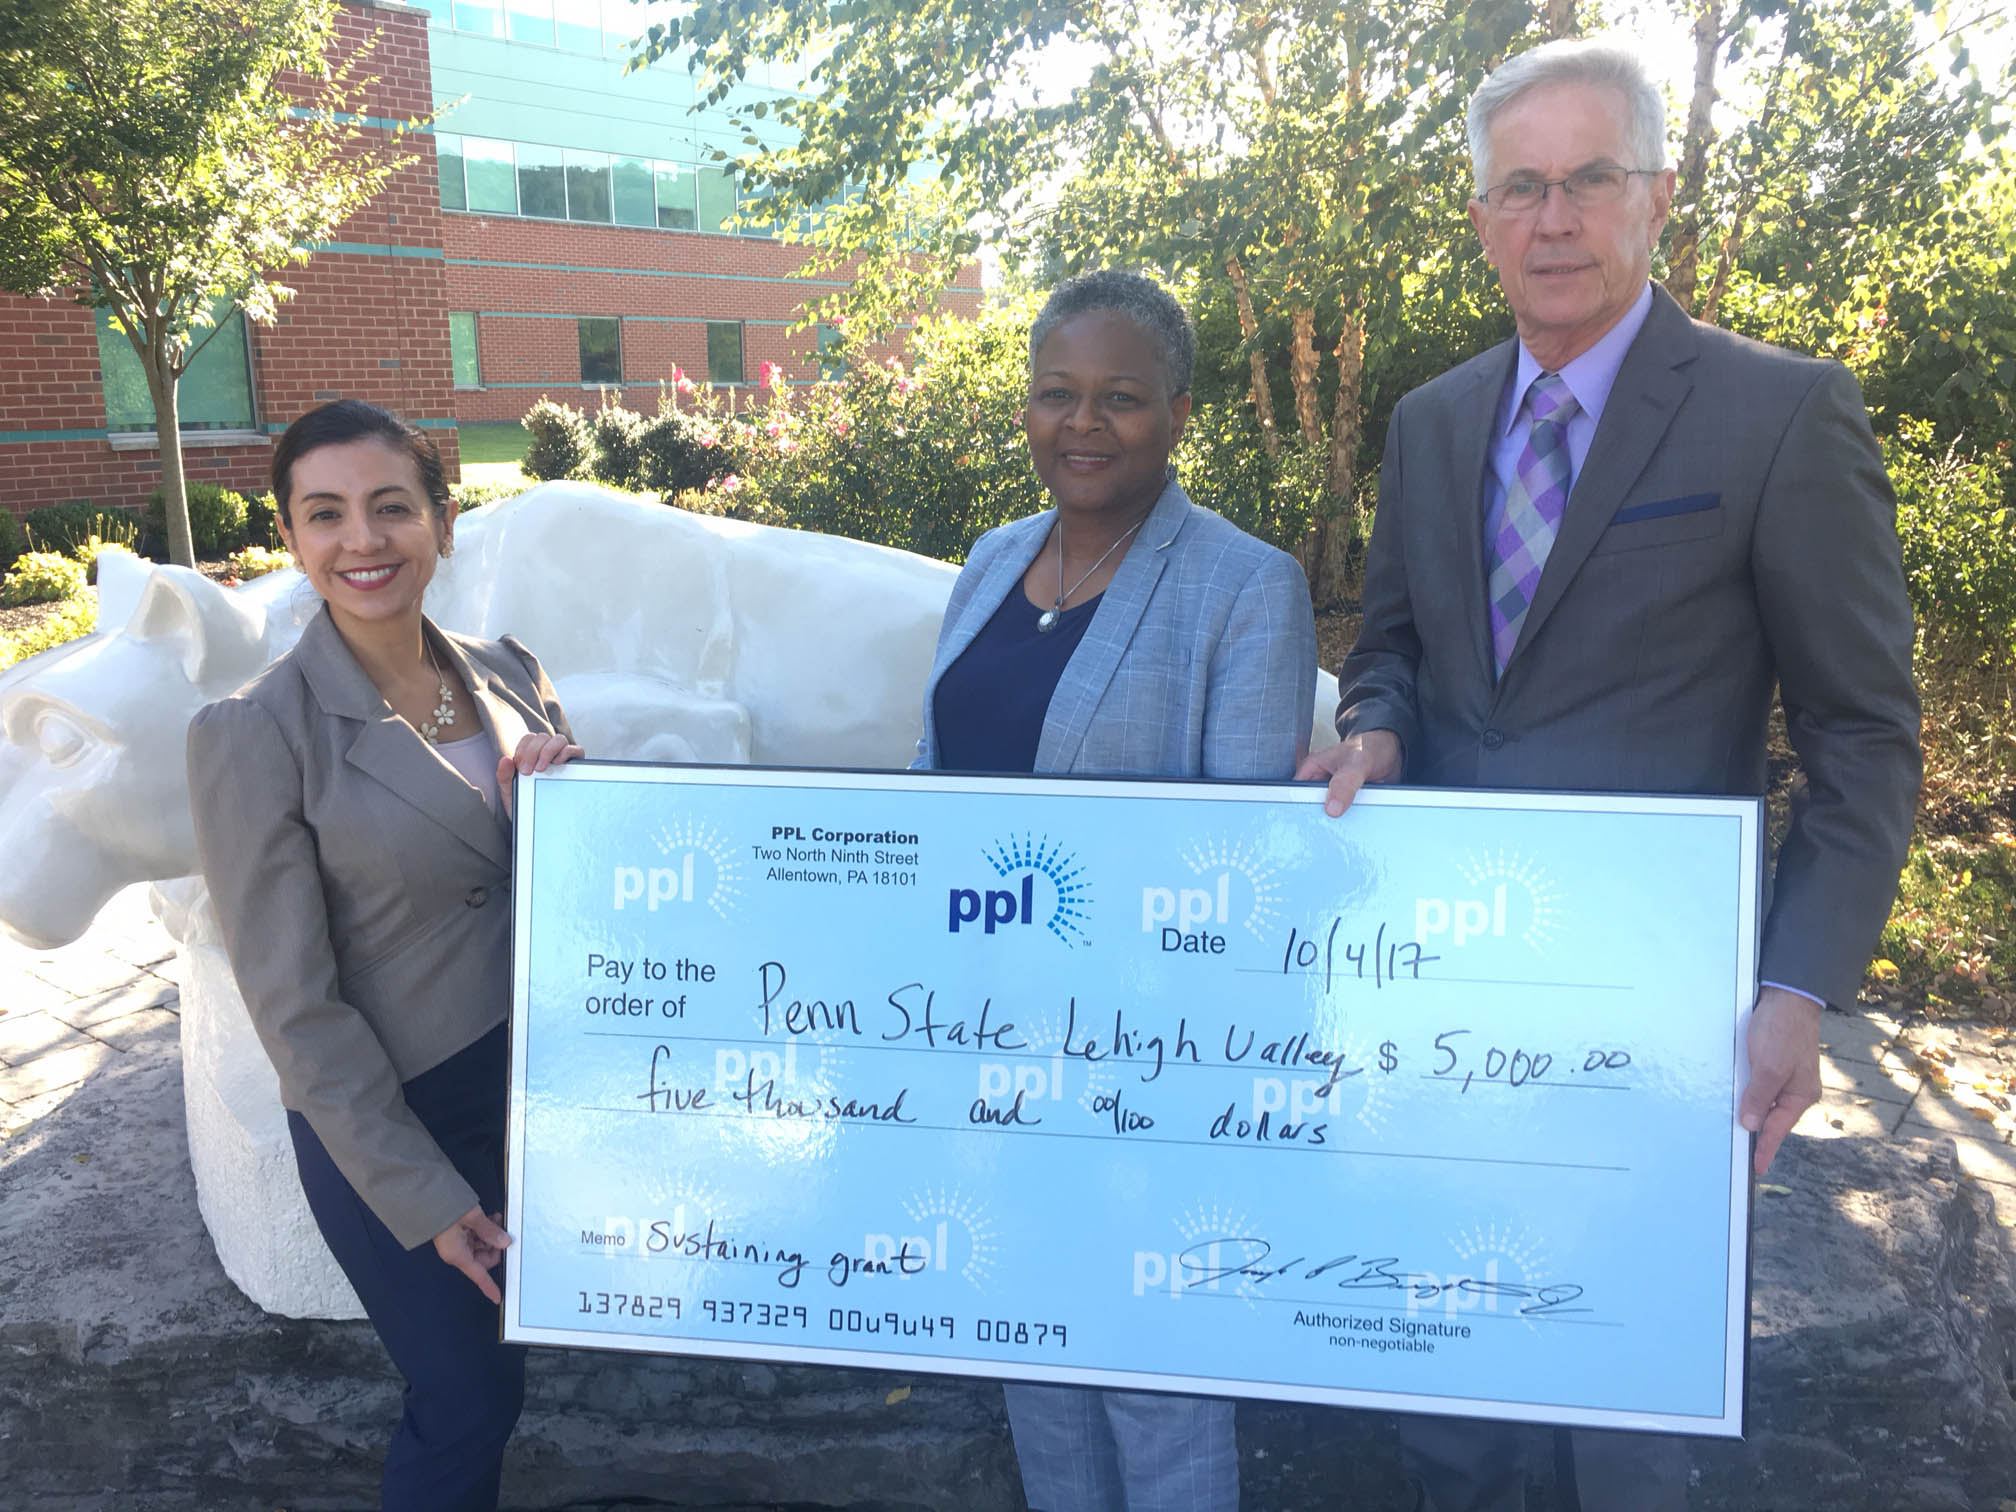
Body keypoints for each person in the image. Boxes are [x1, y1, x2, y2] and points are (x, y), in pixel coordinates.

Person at [1297, 37, 1921, 1512]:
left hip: (1660, 1027)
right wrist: (1378, 724)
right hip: (1453, 1012)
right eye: (1522, 187)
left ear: (1655, 199)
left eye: (1590, 180)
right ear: (1480, 219)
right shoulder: (1431, 422)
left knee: (1629, 1438)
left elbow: (1863, 734)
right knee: (1451, 1418)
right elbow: (1391, 649)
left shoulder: (1778, 415)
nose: (1556, 219)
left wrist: (1798, 989)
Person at [912, 269, 1317, 1510]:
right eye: (1056, 394)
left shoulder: (1245, 587)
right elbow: (930, 794)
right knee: (1032, 1334)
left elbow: (1239, 879)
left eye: (1121, 399)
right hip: (987, 1042)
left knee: (1157, 1367)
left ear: (1179, 415)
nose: (1082, 424)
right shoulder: (989, 562)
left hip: (1152, 1066)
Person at [187, 400, 582, 1511]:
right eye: (325, 515)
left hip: (530, 1092)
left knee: (507, 1378)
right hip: (390, 1119)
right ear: (294, 539)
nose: (363, 540)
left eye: (391, 507)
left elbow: (565, 898)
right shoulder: (254, 732)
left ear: (442, 524)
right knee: (464, 1400)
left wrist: (569, 798)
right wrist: (418, 1190)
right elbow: (293, 1008)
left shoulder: (509, 675)